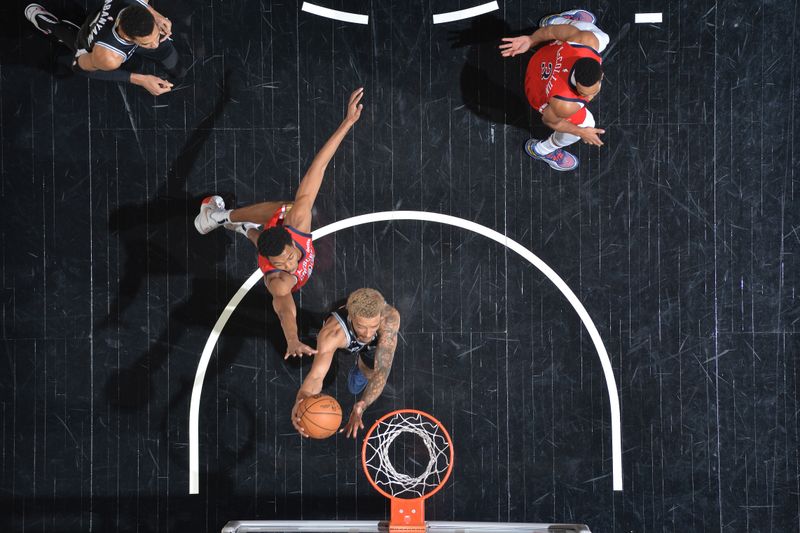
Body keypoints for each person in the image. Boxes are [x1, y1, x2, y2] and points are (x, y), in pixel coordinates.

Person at [194, 88, 365, 359]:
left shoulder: (296, 223)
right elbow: (286, 310)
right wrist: (293, 339)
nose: (287, 265)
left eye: (286, 258)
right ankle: (226, 221)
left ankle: (224, 218)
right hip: (269, 249)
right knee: (258, 236)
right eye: (281, 262)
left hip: (275, 231)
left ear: (287, 236)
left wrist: (347, 122)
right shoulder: (278, 278)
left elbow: (318, 168)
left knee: (289, 206)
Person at [500, 9, 610, 172]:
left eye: (594, 90)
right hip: (536, 89)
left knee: (603, 38)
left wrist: (531, 40)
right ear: (577, 83)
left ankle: (553, 20)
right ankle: (541, 150)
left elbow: (550, 32)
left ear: (601, 74)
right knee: (587, 124)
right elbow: (550, 121)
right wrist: (581, 132)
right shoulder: (565, 104)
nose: (591, 95)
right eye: (584, 93)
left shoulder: (584, 40)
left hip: (543, 58)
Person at [291, 288, 400, 439]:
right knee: (326, 360)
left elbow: (382, 370)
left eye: (373, 326)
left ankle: (361, 365)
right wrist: (301, 401)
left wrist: (362, 404)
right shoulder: (332, 334)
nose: (368, 334)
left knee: (369, 372)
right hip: (344, 339)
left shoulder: (389, 319)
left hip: (370, 345)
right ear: (351, 317)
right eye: (361, 326)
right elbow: (316, 376)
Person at [24, 1, 182, 96]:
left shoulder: (136, 10)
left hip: (103, 16)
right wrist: (142, 80)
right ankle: (46, 22)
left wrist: (156, 15)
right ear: (128, 37)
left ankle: (177, 71)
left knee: (166, 52)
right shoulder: (109, 57)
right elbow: (79, 65)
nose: (155, 44)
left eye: (156, 35)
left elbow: (141, 4)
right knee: (72, 38)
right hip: (90, 47)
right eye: (147, 43)